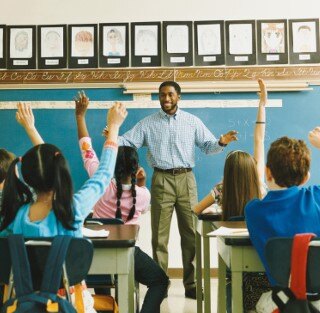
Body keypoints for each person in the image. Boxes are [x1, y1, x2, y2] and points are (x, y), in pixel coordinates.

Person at [117, 80, 238, 299]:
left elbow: (208, 146)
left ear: (178, 97)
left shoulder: (192, 121)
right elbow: (126, 141)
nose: (166, 99)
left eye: (170, 95)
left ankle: (191, 285)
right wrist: (111, 134)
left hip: (186, 179)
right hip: (161, 179)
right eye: (162, 95)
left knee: (191, 234)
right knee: (159, 237)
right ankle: (160, 285)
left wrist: (221, 142)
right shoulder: (148, 123)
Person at [75, 91, 169, 313]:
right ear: (136, 170)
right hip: (127, 254)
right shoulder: (143, 194)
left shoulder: (99, 181)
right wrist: (142, 183)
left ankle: (108, 307)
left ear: (111, 165)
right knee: (160, 281)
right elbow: (139, 199)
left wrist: (80, 117)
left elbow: (86, 148)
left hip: (95, 254)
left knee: (101, 283)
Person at [0, 101, 127, 238]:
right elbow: (103, 175)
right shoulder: (73, 209)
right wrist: (113, 127)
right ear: (59, 172)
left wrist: (30, 128)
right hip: (66, 261)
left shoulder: (16, 217)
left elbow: (45, 162)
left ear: (27, 177)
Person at [245, 128, 320, 310]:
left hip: (283, 302)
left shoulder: (253, 210)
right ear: (305, 178)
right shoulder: (316, 198)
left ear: (267, 172)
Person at [193, 78, 267, 219]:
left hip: (229, 240)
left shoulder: (221, 190)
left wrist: (213, 209)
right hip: (256, 239)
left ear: (227, 171)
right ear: (251, 168)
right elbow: (259, 139)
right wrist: (262, 105)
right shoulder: (259, 187)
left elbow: (195, 210)